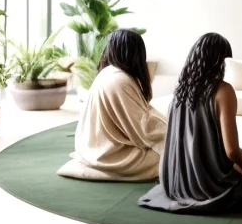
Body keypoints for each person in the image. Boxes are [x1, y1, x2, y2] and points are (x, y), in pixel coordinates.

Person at [139, 32, 242, 214]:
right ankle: (235, 191)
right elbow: (231, 151)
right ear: (221, 61)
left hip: (175, 185)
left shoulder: (179, 92)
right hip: (213, 188)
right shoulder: (223, 90)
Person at [57, 29, 166, 181]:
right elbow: (142, 128)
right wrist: (170, 128)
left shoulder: (109, 73)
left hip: (95, 148)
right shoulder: (120, 80)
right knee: (174, 154)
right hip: (111, 154)